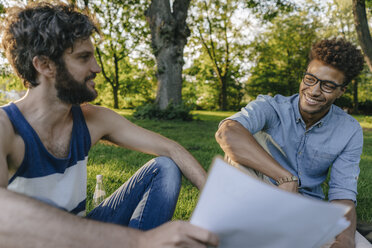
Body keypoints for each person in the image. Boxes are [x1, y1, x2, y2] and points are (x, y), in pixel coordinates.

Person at [0, 2, 218, 247]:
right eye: (84, 58)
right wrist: (140, 240)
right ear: (44, 65)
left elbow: (172, 149)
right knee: (44, 209)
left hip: (85, 236)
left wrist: (216, 199)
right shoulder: (6, 127)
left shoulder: (92, 119)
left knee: (165, 168)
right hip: (35, 240)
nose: (97, 68)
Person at [216, 38, 366, 248]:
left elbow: (342, 195)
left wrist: (345, 241)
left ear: (342, 90)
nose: (314, 91)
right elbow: (227, 133)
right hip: (258, 195)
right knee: (235, 159)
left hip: (306, 210)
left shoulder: (349, 130)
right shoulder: (271, 107)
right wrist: (285, 178)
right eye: (310, 79)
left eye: (328, 86)